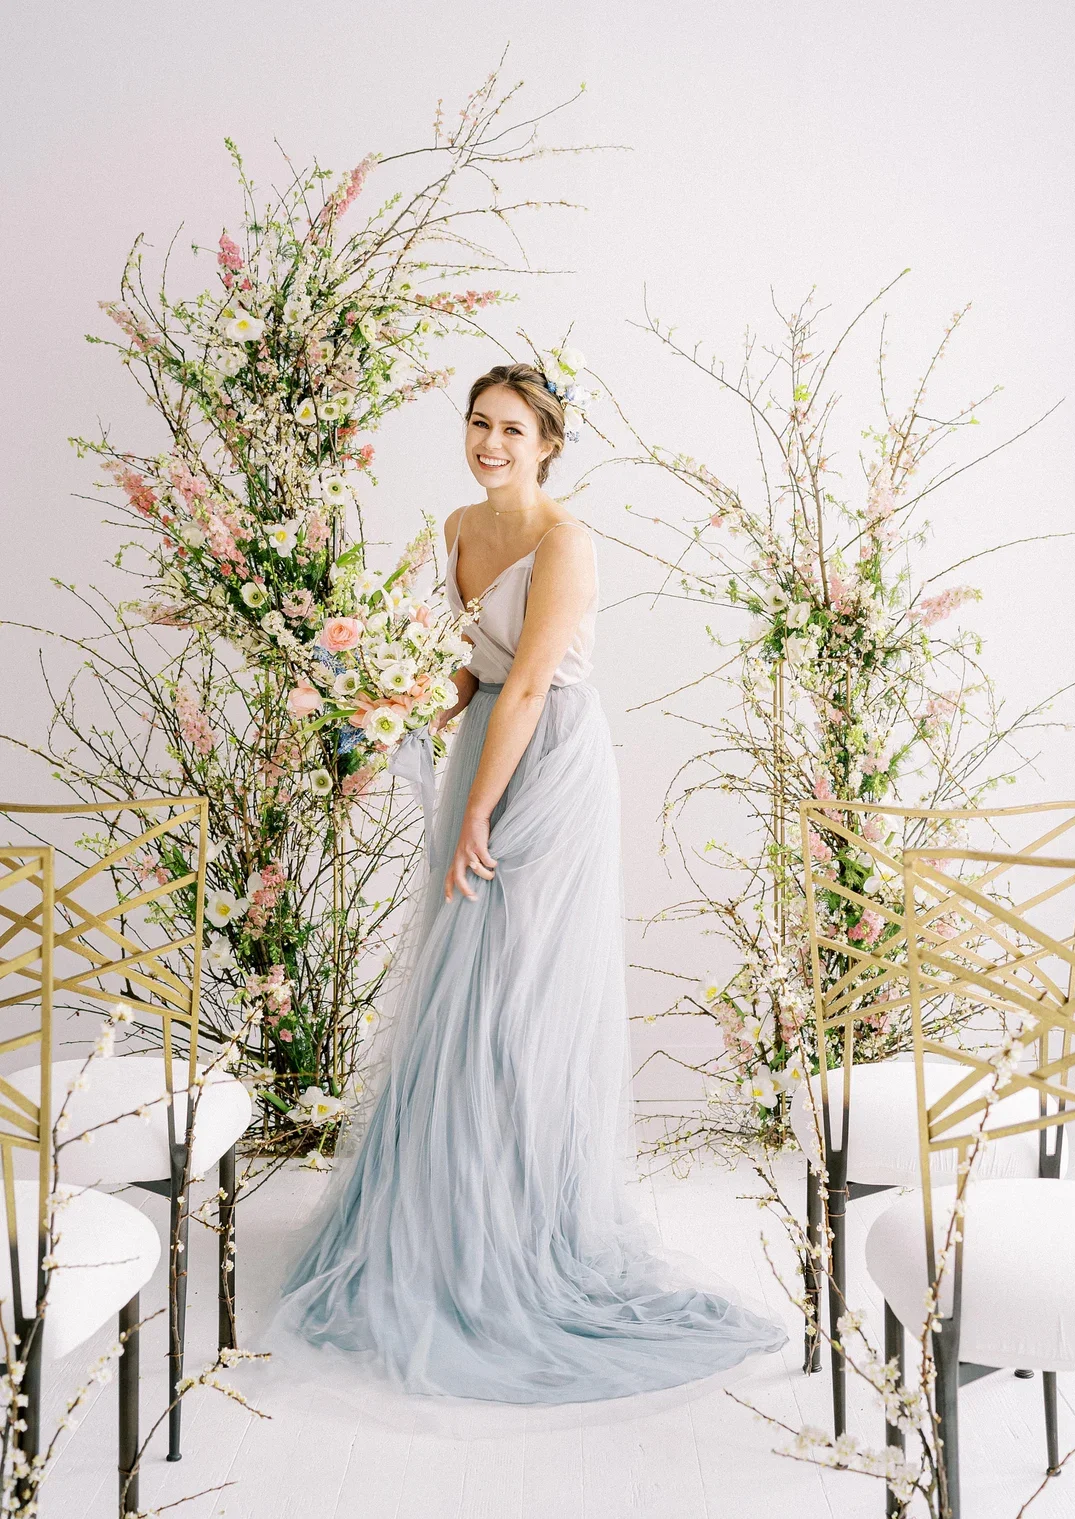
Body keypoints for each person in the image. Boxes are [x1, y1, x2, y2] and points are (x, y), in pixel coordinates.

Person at [270, 362, 788, 1404]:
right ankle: (448, 1208)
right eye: (477, 423)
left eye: (512, 428)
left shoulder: (567, 542)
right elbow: (472, 668)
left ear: (549, 443)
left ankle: (525, 1217)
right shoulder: (458, 526)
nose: (490, 442)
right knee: (460, 985)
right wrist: (397, 720)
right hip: (486, 748)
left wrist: (475, 812)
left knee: (520, 992)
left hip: (547, 765)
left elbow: (534, 679)